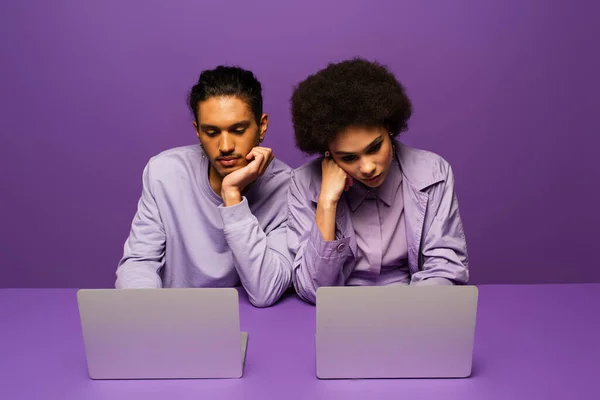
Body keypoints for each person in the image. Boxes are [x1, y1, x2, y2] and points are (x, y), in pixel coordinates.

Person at [287, 58, 469, 304]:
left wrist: (403, 316)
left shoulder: (433, 173)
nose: (367, 167)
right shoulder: (304, 183)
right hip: (339, 311)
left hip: (416, 307)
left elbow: (445, 267)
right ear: (327, 153)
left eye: (375, 148)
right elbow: (313, 290)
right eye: (348, 157)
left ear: (389, 129)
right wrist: (327, 203)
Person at [115, 65, 293, 307]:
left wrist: (232, 194)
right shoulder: (164, 173)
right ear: (197, 131)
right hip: (174, 322)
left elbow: (265, 291)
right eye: (211, 132)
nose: (226, 145)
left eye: (238, 130)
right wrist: (150, 318)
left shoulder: (288, 187)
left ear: (262, 126)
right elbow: (139, 262)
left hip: (253, 322)